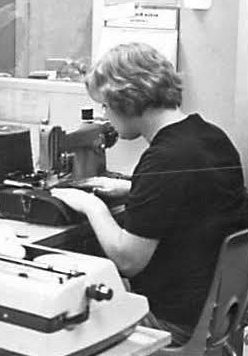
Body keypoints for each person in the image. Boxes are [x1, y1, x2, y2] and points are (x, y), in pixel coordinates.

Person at [51, 42, 248, 346]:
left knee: (58, 318)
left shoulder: (163, 158)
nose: (105, 115)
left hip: (171, 322)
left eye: (105, 105)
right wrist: (134, 188)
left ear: (125, 100)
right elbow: (194, 198)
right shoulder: (210, 136)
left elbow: (129, 260)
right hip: (219, 314)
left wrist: (92, 207)